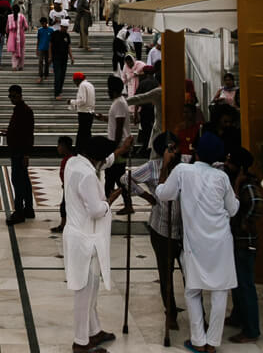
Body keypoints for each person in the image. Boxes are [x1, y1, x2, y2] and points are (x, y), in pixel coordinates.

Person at [155, 133, 239, 353]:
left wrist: (163, 172)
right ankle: (212, 343)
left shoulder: (183, 171)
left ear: (197, 153)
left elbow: (164, 194)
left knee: (193, 290)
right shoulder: (222, 177)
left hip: (196, 242)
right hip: (221, 242)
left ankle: (198, 341)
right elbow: (233, 209)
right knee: (220, 292)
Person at [120, 131, 183, 330]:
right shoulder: (152, 167)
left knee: (191, 273)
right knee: (166, 273)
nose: (174, 152)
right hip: (161, 228)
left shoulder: (186, 166)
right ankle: (170, 311)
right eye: (169, 148)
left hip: (185, 229)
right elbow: (125, 179)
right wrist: (146, 197)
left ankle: (200, 314)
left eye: (176, 147)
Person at [63, 135, 119, 353]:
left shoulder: (74, 162)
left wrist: (119, 152)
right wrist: (109, 202)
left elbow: (103, 162)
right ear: (97, 158)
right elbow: (96, 210)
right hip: (85, 240)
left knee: (91, 289)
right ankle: (80, 342)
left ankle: (94, 331)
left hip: (82, 237)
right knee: (83, 292)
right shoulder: (86, 174)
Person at [224, 146, 263, 344]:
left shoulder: (246, 185)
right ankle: (238, 316)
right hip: (236, 241)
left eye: (230, 161)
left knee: (246, 285)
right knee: (237, 283)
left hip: (244, 243)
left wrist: (246, 223)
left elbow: (256, 203)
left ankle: (251, 329)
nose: (226, 164)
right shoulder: (234, 181)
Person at [2, 84, 35, 225]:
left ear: (20, 95)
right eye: (10, 96)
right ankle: (28, 209)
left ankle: (19, 212)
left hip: (20, 151)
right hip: (17, 149)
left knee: (17, 180)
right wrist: (8, 133)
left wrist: (27, 154)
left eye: (13, 96)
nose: (11, 99)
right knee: (24, 181)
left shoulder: (25, 111)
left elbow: (28, 134)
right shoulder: (18, 110)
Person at [103, 74, 132, 213]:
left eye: (108, 89)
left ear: (113, 90)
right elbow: (115, 121)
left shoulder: (119, 103)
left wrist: (115, 147)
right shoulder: (118, 102)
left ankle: (106, 204)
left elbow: (119, 125)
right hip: (118, 145)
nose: (107, 91)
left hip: (119, 146)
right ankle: (124, 203)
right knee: (115, 176)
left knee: (113, 176)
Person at [129, 60, 163, 156]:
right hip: (154, 111)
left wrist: (136, 113)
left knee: (145, 130)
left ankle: (146, 148)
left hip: (145, 111)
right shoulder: (156, 83)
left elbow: (139, 98)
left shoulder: (143, 83)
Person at [51, 135, 75, 235]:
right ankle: (65, 224)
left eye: (59, 146)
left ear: (64, 146)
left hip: (70, 188)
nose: (58, 148)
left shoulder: (70, 160)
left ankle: (64, 225)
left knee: (65, 206)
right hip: (67, 186)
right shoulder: (67, 159)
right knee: (65, 205)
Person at [69, 72, 95, 153]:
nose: (75, 83)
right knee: (86, 133)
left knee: (82, 134)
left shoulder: (82, 85)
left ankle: (78, 151)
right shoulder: (90, 85)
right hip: (90, 112)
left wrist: (72, 101)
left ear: (78, 79)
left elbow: (83, 100)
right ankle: (88, 150)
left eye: (74, 81)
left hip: (84, 113)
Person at [50, 16, 74, 99]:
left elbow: (68, 47)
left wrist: (71, 57)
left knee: (62, 75)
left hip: (64, 58)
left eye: (66, 28)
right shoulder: (55, 34)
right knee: (58, 75)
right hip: (56, 57)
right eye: (64, 27)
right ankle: (56, 93)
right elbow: (50, 45)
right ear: (61, 26)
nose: (65, 29)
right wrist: (50, 56)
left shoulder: (67, 35)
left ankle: (60, 90)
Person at [6, 3, 27, 70]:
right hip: (20, 36)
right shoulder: (22, 16)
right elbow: (26, 26)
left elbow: (7, 28)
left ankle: (14, 66)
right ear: (19, 10)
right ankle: (20, 66)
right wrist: (22, 29)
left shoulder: (9, 17)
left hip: (12, 36)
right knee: (21, 51)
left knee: (14, 52)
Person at [36, 16, 52, 82]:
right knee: (40, 61)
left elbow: (52, 41)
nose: (43, 24)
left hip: (48, 49)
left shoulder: (51, 30)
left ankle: (46, 74)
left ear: (46, 23)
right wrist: (36, 49)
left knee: (47, 62)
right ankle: (40, 75)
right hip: (41, 48)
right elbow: (38, 40)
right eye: (42, 23)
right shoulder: (40, 30)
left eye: (44, 23)